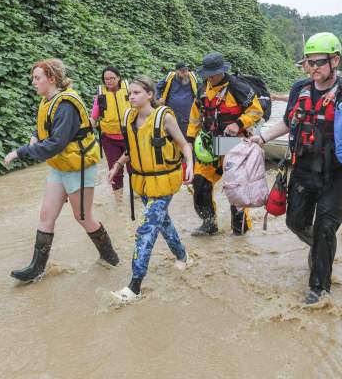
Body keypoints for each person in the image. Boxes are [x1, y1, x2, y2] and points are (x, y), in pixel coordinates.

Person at [248, 33, 342, 304]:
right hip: (302, 169)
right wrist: (262, 138)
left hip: (335, 173)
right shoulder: (299, 89)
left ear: (335, 61)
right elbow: (289, 123)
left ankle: (319, 289)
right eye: (308, 63)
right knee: (294, 222)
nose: (313, 68)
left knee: (325, 226)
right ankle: (323, 249)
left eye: (319, 63)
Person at [3, 58, 119, 283]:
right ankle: (36, 268)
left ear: (52, 79)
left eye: (37, 78)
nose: (33, 83)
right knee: (46, 215)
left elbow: (56, 143)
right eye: (33, 78)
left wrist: (21, 151)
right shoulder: (48, 101)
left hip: (78, 166)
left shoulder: (66, 105)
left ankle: (110, 257)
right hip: (59, 165)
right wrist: (36, 138)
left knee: (82, 218)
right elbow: (44, 131)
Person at [108, 76, 193, 302]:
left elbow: (184, 145)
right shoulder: (130, 118)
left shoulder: (164, 118)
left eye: (136, 93)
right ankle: (183, 256)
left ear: (149, 95)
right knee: (163, 223)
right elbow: (132, 150)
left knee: (146, 228)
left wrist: (191, 166)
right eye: (130, 94)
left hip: (164, 183)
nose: (132, 97)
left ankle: (134, 286)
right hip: (144, 183)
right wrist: (116, 166)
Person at [186, 53, 264, 236]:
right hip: (209, 144)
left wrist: (238, 123)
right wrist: (189, 139)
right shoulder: (202, 89)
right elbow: (195, 117)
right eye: (208, 74)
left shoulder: (238, 87)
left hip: (233, 144)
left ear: (222, 71)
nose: (210, 77)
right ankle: (209, 224)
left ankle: (240, 229)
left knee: (235, 187)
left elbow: (256, 111)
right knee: (200, 182)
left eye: (214, 73)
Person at [91, 66, 131, 207]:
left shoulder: (129, 91)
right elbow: (94, 117)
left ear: (118, 78)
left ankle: (138, 195)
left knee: (135, 168)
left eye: (112, 78)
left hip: (130, 137)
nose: (109, 81)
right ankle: (119, 203)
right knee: (115, 170)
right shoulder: (101, 97)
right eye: (106, 79)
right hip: (109, 139)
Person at [156, 61, 199, 137]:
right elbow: (158, 87)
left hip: (187, 114)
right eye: (183, 71)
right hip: (172, 113)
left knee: (186, 135)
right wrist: (159, 97)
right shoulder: (169, 78)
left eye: (186, 70)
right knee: (171, 135)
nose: (185, 73)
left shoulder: (192, 78)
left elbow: (200, 89)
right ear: (176, 71)